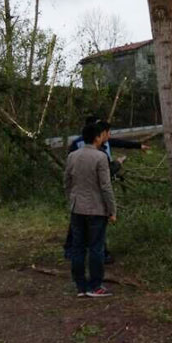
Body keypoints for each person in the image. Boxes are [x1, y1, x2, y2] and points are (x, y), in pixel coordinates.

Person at [63, 117, 149, 263]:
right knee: (93, 229)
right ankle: (96, 256)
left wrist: (138, 146)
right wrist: (112, 209)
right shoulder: (86, 148)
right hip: (92, 193)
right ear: (97, 133)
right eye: (104, 131)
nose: (107, 135)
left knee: (79, 223)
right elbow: (104, 183)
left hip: (80, 197)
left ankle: (77, 255)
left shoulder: (103, 144)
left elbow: (119, 143)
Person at [64, 121, 116, 298]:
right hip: (96, 209)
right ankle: (95, 286)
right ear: (97, 137)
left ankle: (80, 285)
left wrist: (71, 200)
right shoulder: (101, 157)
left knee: (78, 247)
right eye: (102, 134)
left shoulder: (73, 156)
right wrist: (112, 209)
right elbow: (105, 187)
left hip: (77, 208)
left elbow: (67, 182)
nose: (104, 137)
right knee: (96, 248)